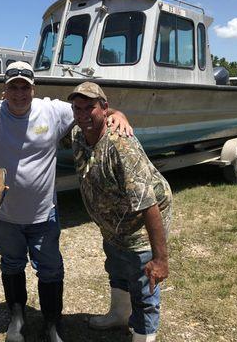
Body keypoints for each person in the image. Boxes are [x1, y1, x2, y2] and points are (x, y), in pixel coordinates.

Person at [0, 62, 133, 342]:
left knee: (51, 269)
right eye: (13, 87)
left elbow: (93, 110)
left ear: (33, 89)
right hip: (4, 215)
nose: (19, 93)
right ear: (4, 90)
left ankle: (52, 323)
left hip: (44, 214)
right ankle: (17, 319)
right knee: (12, 264)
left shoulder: (51, 110)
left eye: (24, 87)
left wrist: (119, 114)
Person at [68, 82, 172, 342]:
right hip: (113, 223)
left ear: (104, 108)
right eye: (77, 108)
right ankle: (119, 314)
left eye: (89, 107)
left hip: (139, 224)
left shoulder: (121, 146)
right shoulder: (78, 134)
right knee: (116, 266)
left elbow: (148, 204)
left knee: (143, 284)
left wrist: (160, 259)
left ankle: (143, 336)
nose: (82, 114)